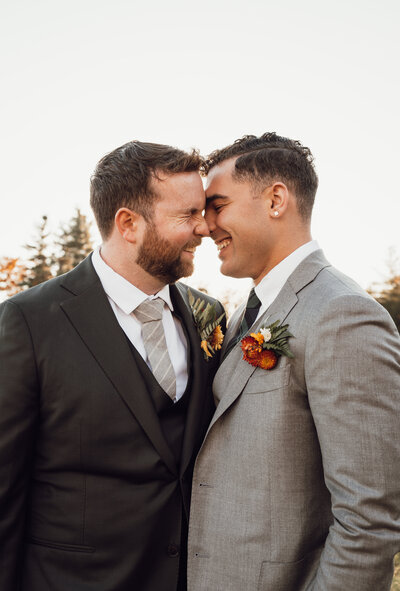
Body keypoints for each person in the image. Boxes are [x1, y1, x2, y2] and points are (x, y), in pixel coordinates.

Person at [0, 140, 225, 591]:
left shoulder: (210, 316)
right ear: (128, 224)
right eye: (187, 215)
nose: (204, 228)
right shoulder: (29, 321)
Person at [187, 132, 400, 590]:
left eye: (217, 205)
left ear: (276, 200)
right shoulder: (251, 309)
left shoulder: (341, 314)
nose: (204, 226)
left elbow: (369, 519)